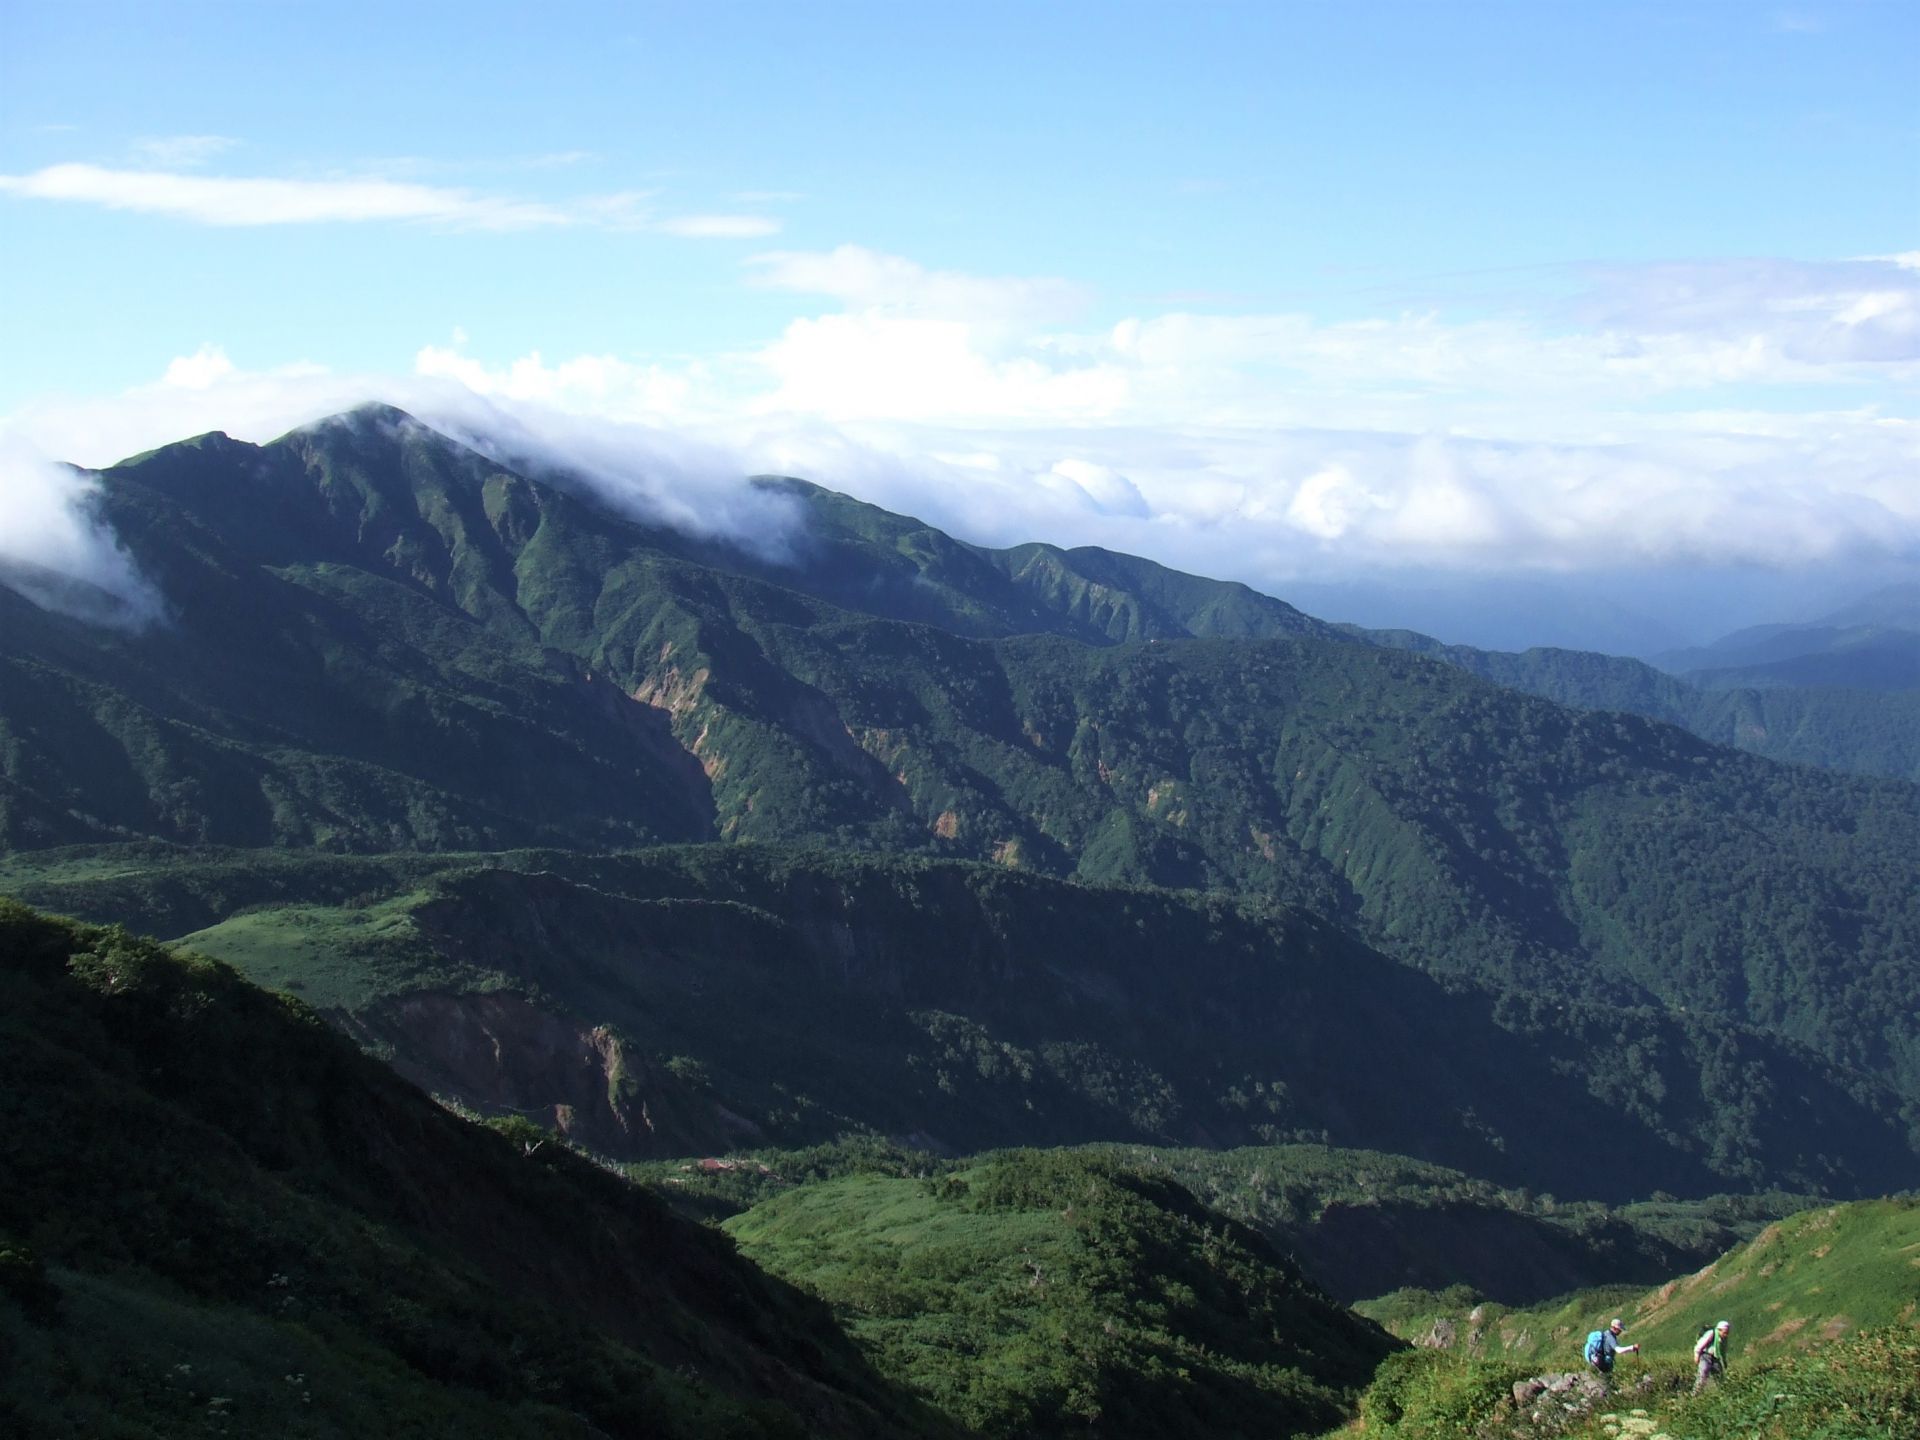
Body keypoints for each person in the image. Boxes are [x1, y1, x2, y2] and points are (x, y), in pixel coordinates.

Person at [1693, 1319, 1731, 1393]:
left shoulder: (1724, 1338)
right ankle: (1696, 1393)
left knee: (1719, 1376)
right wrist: (1696, 1355)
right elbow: (1700, 1344)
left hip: (1715, 1357)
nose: (1726, 1334)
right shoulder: (1711, 1333)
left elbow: (1723, 1350)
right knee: (1703, 1374)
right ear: (1719, 1330)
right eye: (1725, 1332)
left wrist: (1724, 1360)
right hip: (1705, 1356)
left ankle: (1722, 1392)